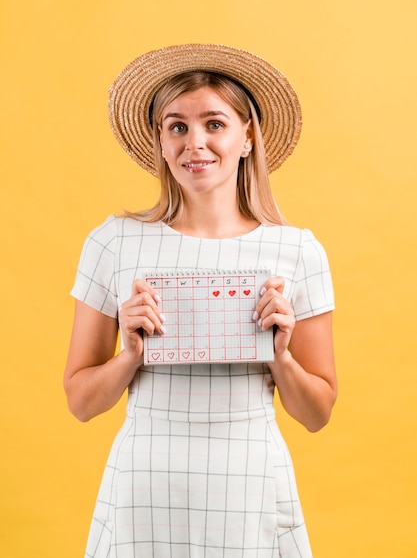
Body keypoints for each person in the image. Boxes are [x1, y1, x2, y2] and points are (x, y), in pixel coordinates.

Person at [64, 43, 337, 558]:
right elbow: (81, 402)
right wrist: (130, 354)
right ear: (160, 142)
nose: (196, 143)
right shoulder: (114, 242)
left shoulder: (297, 250)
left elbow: (317, 413)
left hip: (250, 481)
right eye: (177, 126)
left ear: (247, 135)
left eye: (214, 124)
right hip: (145, 479)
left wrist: (281, 356)